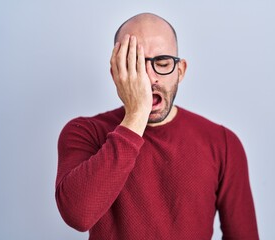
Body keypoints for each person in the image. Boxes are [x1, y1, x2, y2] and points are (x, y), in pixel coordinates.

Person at [55, 12, 259, 240]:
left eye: (162, 63)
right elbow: (78, 216)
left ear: (180, 71)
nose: (150, 78)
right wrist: (135, 115)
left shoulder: (222, 143)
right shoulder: (85, 133)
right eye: (134, 65)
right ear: (116, 73)